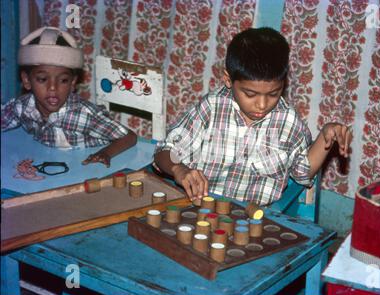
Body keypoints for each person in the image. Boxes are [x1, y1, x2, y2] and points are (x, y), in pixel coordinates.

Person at [154, 27, 352, 205]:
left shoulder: (288, 122)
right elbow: (165, 150)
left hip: (256, 217)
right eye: (250, 94)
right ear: (228, 80)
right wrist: (179, 170)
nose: (262, 104)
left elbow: (302, 173)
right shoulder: (211, 108)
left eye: (273, 94)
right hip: (200, 205)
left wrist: (325, 137)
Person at [1, 26, 137, 167]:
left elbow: (129, 137)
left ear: (73, 83)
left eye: (63, 80)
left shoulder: (83, 115)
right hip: (48, 162)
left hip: (85, 166)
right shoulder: (21, 106)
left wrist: (105, 153)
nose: (53, 88)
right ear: (27, 81)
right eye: (42, 79)